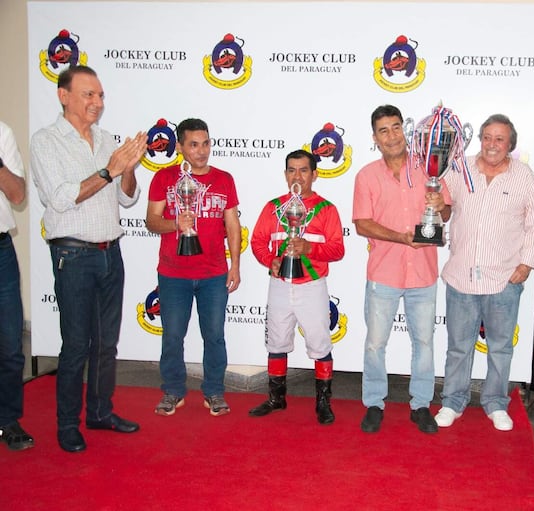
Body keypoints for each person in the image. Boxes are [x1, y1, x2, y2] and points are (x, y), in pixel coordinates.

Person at [29, 65, 147, 452]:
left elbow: (127, 196)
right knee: (76, 344)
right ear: (64, 96)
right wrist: (109, 169)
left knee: (106, 343)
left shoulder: (106, 138)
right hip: (74, 256)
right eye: (88, 95)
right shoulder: (46, 141)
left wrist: (127, 169)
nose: (97, 102)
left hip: (111, 252)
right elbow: (60, 197)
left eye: (100, 96)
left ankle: (99, 413)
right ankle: (67, 425)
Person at [434, 113, 534, 432]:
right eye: (487, 137)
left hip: (503, 280)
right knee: (458, 346)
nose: (492, 144)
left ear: (510, 144)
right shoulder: (459, 168)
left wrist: (526, 264)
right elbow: (444, 211)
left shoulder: (523, 176)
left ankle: (496, 403)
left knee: (499, 347)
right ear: (479, 139)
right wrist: (436, 202)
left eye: (499, 139)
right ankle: (453, 402)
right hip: (461, 276)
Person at [352, 104, 450, 434]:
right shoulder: (366, 175)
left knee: (424, 343)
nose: (392, 135)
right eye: (384, 130)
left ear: (404, 131)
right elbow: (362, 224)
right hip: (384, 272)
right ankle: (374, 403)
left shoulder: (429, 169)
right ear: (375, 138)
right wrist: (401, 238)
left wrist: (441, 206)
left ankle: (421, 404)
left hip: (423, 273)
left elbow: (447, 214)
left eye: (396, 127)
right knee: (375, 344)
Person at [146, 118, 241, 417]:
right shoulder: (164, 178)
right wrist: (175, 223)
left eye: (206, 143)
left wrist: (235, 265)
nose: (201, 151)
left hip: (214, 273)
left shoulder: (224, 179)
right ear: (180, 147)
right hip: (174, 274)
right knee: (172, 335)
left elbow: (233, 224)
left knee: (214, 335)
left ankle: (214, 391)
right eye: (194, 144)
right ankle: (173, 391)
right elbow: (151, 222)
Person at [249, 149, 344, 424]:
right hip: (280, 284)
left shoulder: (327, 209)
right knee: (276, 341)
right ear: (285, 174)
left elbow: (337, 249)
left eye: (303, 170)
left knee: (319, 343)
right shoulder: (273, 207)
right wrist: (271, 261)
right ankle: (276, 398)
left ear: (315, 174)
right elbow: (257, 241)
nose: (297, 176)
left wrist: (309, 248)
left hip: (312, 286)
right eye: (291, 170)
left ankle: (323, 402)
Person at [0, 121, 33, 451]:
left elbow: (18, 195)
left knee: (10, 345)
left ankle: (6, 420)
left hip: (0, 250)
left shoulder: (2, 133)